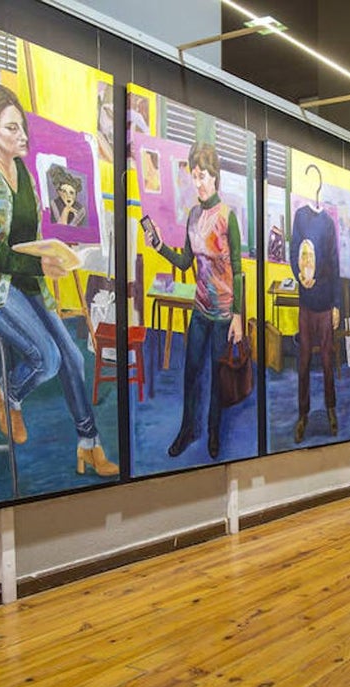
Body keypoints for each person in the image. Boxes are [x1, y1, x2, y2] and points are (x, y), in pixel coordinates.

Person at [0, 82, 117, 477]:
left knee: (73, 357)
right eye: (12, 128)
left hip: (24, 279)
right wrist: (39, 266)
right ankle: (8, 396)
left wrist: (52, 256)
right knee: (47, 357)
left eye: (22, 126)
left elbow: (25, 237)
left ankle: (89, 444)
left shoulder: (22, 172)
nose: (22, 135)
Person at [142, 143, 243, 461]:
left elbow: (238, 272)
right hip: (200, 310)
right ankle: (189, 429)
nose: (198, 183)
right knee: (191, 372)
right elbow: (186, 261)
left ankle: (213, 433)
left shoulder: (228, 217)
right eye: (194, 176)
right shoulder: (193, 216)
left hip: (224, 314)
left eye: (203, 176)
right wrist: (159, 245)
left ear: (216, 177)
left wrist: (239, 315)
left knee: (216, 376)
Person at [290, 165, 341, 443]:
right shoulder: (299, 217)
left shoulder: (329, 223)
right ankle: (303, 414)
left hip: (324, 304)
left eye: (317, 182)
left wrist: (336, 305)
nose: (314, 187)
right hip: (306, 302)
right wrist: (299, 276)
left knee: (327, 362)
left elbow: (334, 264)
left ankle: (331, 410)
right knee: (304, 361)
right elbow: (292, 252)